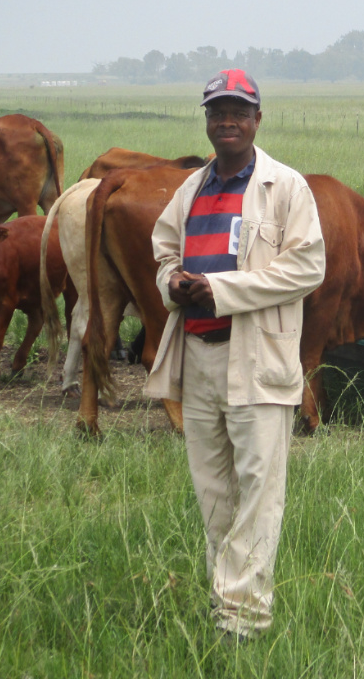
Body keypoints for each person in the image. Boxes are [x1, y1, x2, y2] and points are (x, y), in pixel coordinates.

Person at [145, 69, 326, 642]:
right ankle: (226, 602)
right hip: (197, 357)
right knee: (214, 489)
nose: (227, 120)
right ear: (206, 120)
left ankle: (245, 620)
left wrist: (222, 291)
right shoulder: (191, 188)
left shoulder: (286, 187)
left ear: (257, 119)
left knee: (259, 490)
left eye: (238, 111)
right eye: (217, 111)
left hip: (255, 358)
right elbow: (162, 252)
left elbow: (306, 267)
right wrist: (171, 283)